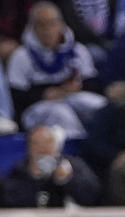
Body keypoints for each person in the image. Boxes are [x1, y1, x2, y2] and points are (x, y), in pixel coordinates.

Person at [6, 1, 107, 139]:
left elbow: (94, 83)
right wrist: (43, 95)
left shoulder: (78, 50)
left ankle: (105, 143)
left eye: (52, 23)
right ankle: (75, 152)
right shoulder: (21, 56)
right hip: (37, 107)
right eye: (41, 25)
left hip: (71, 96)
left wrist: (80, 86)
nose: (47, 30)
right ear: (32, 28)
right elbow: (16, 97)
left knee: (100, 106)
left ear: (61, 25)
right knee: (61, 113)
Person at [2, 124, 100, 207]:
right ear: (28, 148)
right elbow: (11, 202)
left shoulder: (74, 166)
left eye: (48, 142)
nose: (42, 148)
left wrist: (67, 179)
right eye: (36, 143)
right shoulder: (20, 169)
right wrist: (33, 178)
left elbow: (92, 198)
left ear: (57, 146)